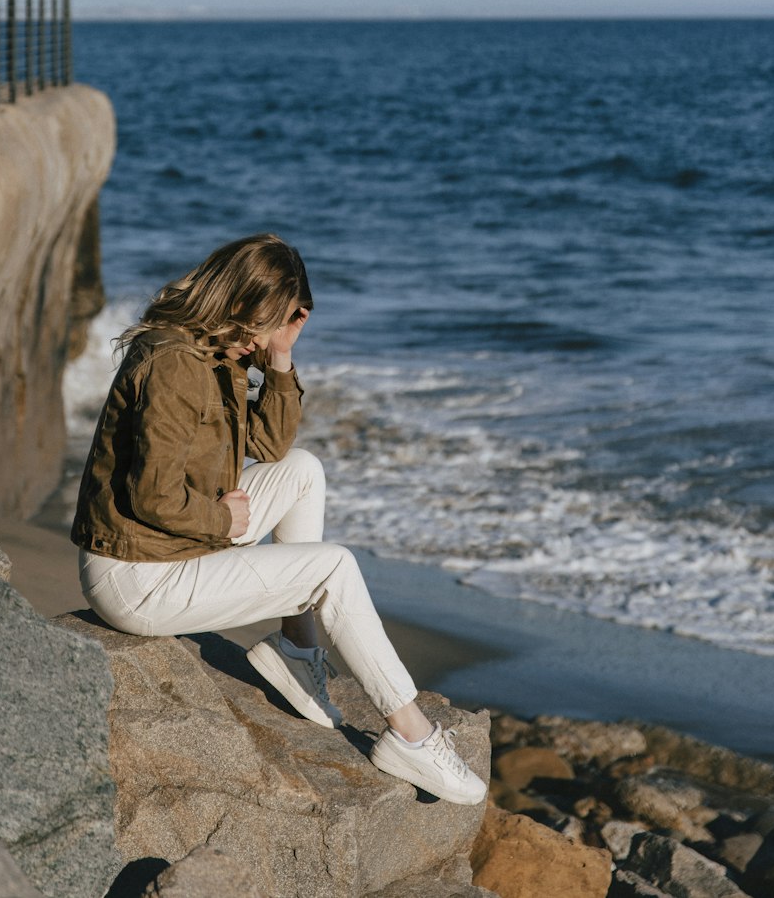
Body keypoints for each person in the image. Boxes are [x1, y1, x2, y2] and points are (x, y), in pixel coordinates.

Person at [71, 232, 485, 804]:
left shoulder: (218, 350)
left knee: (304, 469)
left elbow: (268, 445)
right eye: (271, 323)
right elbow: (150, 497)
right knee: (332, 567)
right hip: (136, 574)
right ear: (242, 304)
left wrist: (282, 360)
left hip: (163, 549)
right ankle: (410, 735)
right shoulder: (175, 365)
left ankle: (297, 649)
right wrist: (223, 520)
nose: (268, 336)